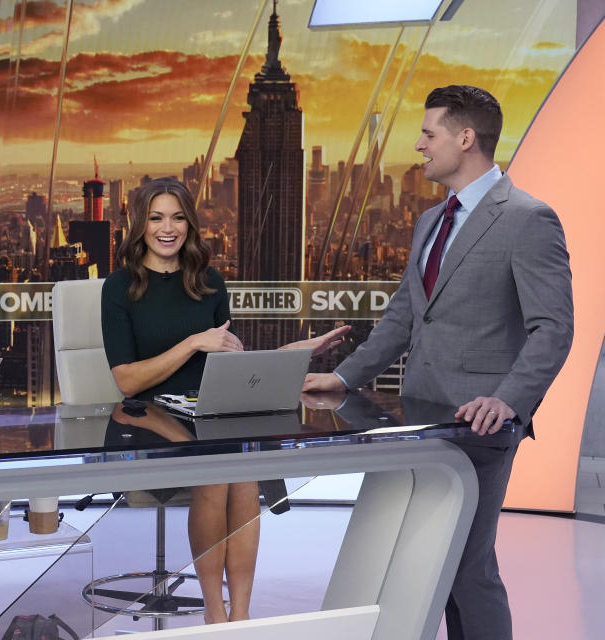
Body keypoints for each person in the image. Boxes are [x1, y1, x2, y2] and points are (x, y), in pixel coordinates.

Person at [303, 85, 573, 640]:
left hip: (480, 422)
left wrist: (507, 399)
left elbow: (554, 328)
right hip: (419, 418)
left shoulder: (527, 218)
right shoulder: (430, 221)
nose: (420, 145)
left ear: (466, 138)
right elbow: (405, 317)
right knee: (430, 563)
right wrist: (344, 376)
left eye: (430, 134)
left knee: (466, 567)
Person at [101, 177, 349, 624]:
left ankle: (242, 618)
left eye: (177, 217)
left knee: (246, 476)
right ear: (140, 224)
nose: (167, 228)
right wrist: (193, 342)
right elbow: (127, 382)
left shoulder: (209, 281)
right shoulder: (120, 287)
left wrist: (286, 358)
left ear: (190, 223)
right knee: (220, 475)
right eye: (156, 218)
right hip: (153, 417)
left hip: (212, 408)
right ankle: (215, 616)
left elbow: (228, 360)